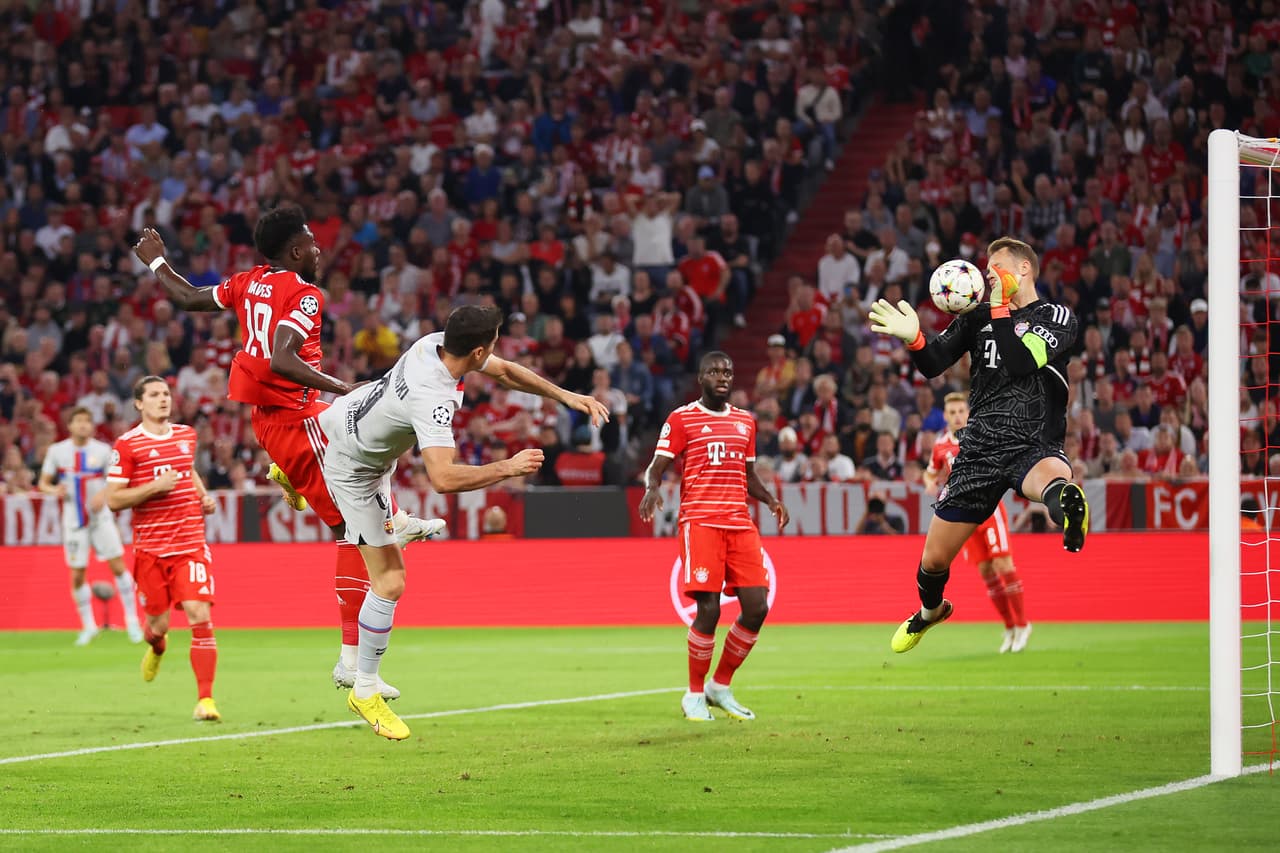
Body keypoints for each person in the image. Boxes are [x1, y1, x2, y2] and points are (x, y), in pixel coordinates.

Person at [133, 206, 443, 700]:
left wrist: (156, 264)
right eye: (313, 244)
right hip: (296, 420)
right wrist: (343, 387)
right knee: (351, 526)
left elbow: (189, 297)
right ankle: (350, 661)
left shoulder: (246, 282)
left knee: (374, 446)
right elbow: (282, 357)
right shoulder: (304, 293)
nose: (319, 250)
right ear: (296, 251)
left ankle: (388, 517)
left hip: (281, 418)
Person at [317, 305, 610, 740]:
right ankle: (363, 688)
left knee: (383, 542)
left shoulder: (432, 344)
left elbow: (507, 372)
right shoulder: (433, 395)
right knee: (391, 580)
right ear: (476, 351)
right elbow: (442, 478)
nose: (494, 354)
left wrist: (568, 396)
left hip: (346, 419)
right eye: (491, 346)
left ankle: (377, 518)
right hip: (354, 468)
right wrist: (506, 467)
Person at [869, 237, 1087, 653]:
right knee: (933, 562)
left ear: (1024, 269)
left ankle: (1070, 514)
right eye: (987, 271)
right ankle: (931, 612)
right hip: (979, 451)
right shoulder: (978, 316)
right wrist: (914, 339)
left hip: (1032, 440)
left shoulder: (1056, 316)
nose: (988, 276)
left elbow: (1022, 362)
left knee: (1054, 482)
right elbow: (933, 364)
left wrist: (1002, 310)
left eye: (996, 268)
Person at [638, 351, 790, 722]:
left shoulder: (745, 422)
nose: (722, 377)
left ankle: (719, 686)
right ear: (701, 377)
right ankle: (693, 694)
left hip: (739, 523)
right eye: (714, 371)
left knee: (757, 607)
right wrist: (651, 490)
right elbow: (656, 467)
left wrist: (770, 499)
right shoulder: (682, 418)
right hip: (700, 522)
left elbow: (748, 474)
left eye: (728, 371)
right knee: (708, 609)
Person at [105, 377, 221, 721]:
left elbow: (188, 470)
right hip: (151, 551)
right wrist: (155, 487)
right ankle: (157, 646)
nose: (163, 400)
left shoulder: (187, 435)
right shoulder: (127, 445)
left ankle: (206, 700)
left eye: (166, 394)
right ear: (139, 404)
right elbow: (113, 499)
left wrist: (202, 495)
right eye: (154, 395)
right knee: (157, 625)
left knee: (200, 614)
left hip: (190, 545)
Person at [926, 392, 1031, 653]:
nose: (958, 416)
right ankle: (1008, 627)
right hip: (962, 516)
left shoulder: (982, 435)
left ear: (968, 412)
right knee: (985, 571)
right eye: (952, 412)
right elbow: (929, 473)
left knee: (1002, 563)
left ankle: (1022, 624)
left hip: (989, 509)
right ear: (946, 416)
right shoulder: (940, 446)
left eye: (961, 411)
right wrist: (931, 484)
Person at [38, 406, 143, 646]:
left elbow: (116, 481)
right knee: (77, 574)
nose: (84, 425)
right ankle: (88, 626)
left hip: (101, 520)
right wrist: (55, 489)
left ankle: (132, 621)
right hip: (74, 521)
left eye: (88, 421)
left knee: (118, 566)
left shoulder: (104, 450)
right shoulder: (57, 451)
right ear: (71, 425)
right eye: (79, 421)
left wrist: (103, 494)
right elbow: (43, 483)